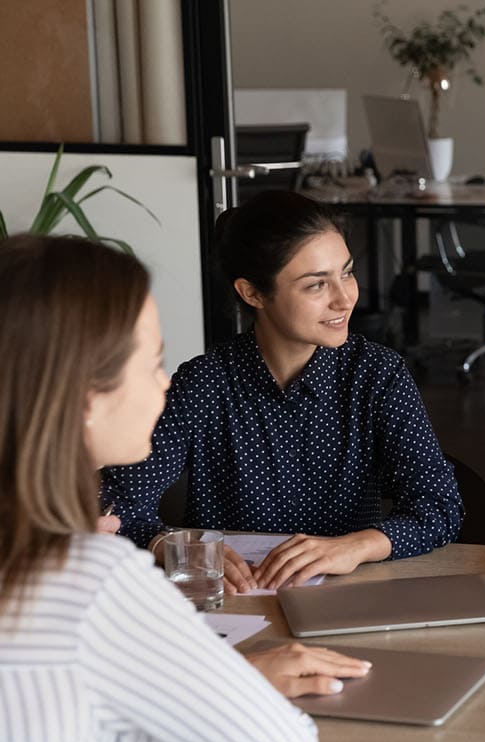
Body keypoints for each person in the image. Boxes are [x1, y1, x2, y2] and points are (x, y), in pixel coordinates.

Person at [0, 235, 372, 742]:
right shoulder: (88, 583)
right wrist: (226, 684)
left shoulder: (373, 372)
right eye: (151, 362)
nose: (166, 382)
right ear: (84, 397)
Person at [101, 191, 463, 593]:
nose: (345, 298)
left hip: (350, 596)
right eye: (316, 286)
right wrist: (171, 545)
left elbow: (439, 508)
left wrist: (355, 547)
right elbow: (117, 509)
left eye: (347, 272)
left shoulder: (378, 375)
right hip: (233, 601)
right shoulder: (203, 383)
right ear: (252, 293)